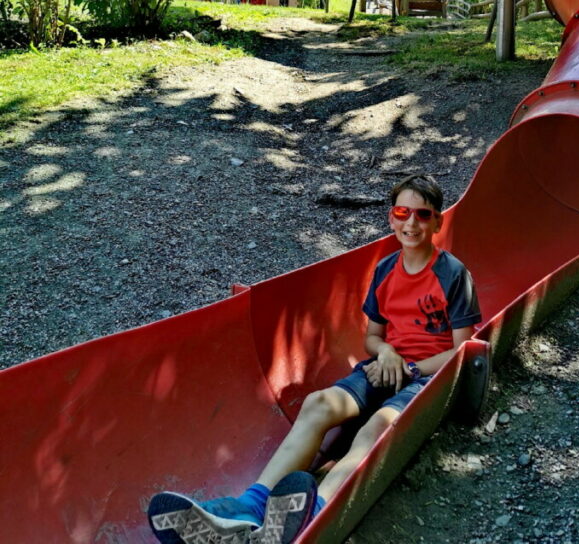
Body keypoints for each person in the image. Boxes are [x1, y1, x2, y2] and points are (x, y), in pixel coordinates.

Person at [147, 173, 481, 544]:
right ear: (392, 218)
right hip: (383, 367)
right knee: (318, 403)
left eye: (423, 214)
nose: (412, 222)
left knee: (375, 427)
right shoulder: (386, 271)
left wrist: (412, 367)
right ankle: (250, 507)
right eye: (403, 212)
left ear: (437, 221)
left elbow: (460, 348)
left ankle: (315, 512)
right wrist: (386, 351)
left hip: (424, 375)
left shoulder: (453, 274)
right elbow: (372, 337)